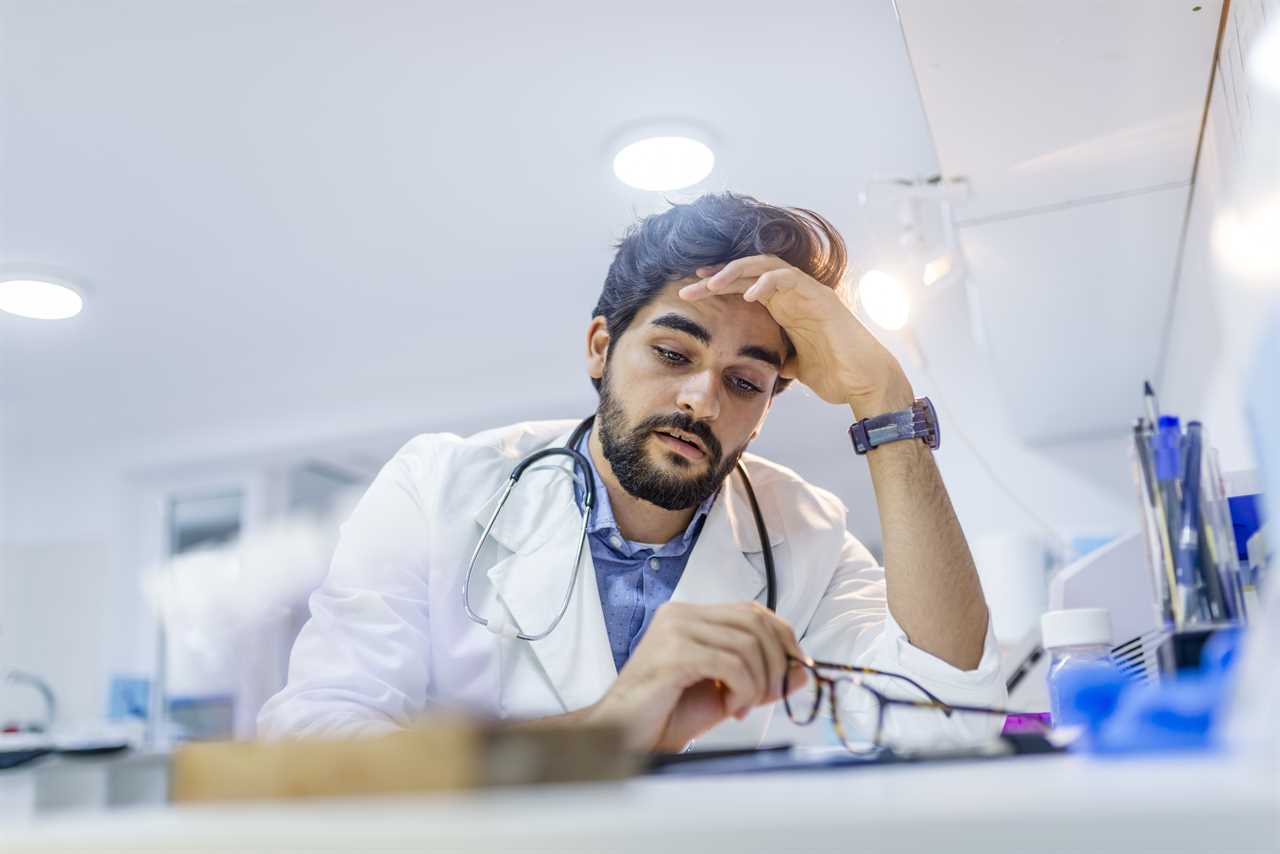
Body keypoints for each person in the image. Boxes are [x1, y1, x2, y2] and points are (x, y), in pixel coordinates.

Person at [258, 193, 1004, 752]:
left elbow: (946, 714)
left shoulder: (808, 536)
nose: (700, 398)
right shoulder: (438, 487)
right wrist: (612, 727)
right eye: (674, 355)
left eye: (745, 382)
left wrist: (886, 401)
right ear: (599, 348)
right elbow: (313, 738)